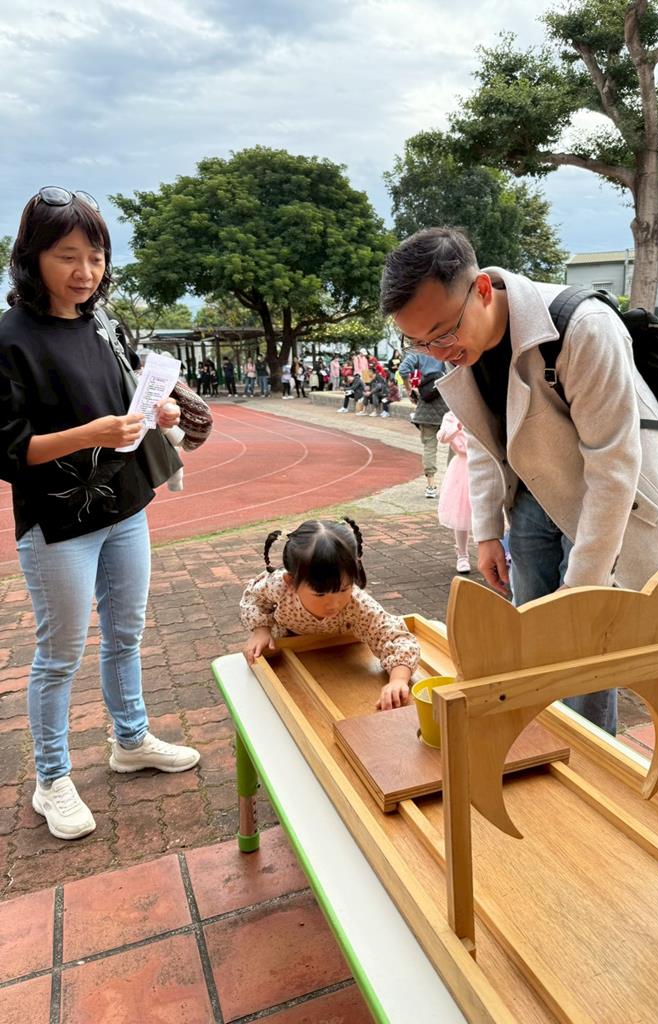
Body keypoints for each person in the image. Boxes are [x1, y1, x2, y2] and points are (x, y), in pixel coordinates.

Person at [381, 227, 658, 735]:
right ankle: (538, 743)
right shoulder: (464, 349)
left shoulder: (582, 326)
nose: (437, 351)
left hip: (601, 506)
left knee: (583, 644)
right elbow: (483, 441)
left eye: (442, 333)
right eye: (419, 342)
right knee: (531, 641)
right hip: (531, 502)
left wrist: (582, 590)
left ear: (481, 290)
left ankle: (587, 758)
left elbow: (613, 465)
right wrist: (487, 533)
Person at [0, 187, 200, 840]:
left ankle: (131, 740)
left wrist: (157, 412)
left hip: (127, 504)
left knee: (125, 633)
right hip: (58, 523)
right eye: (67, 256)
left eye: (96, 256)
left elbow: (127, 403)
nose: (85, 272)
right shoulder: (9, 338)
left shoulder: (104, 324)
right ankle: (51, 778)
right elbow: (11, 449)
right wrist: (91, 433)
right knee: (59, 655)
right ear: (32, 257)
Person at [240, 518, 420, 710]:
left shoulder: (357, 604)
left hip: (337, 654)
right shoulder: (278, 586)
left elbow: (395, 637)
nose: (334, 603)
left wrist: (398, 680)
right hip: (286, 650)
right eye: (320, 594)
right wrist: (261, 630)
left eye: (343, 589)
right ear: (291, 582)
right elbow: (254, 598)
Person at [398, 349, 449, 498]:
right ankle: (455, 484)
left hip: (427, 400)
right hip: (448, 399)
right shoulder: (447, 345)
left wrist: (409, 389)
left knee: (429, 446)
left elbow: (403, 370)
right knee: (457, 445)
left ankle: (431, 486)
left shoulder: (419, 350)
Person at [437, 411, 472, 574]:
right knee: (461, 511)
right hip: (463, 467)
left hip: (486, 463)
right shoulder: (451, 416)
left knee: (489, 511)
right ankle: (462, 554)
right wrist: (457, 426)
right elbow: (442, 437)